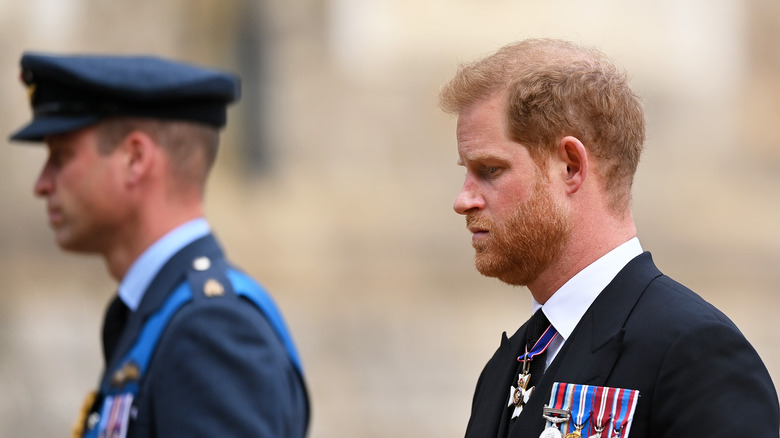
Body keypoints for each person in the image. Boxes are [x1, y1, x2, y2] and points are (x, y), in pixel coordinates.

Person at [439, 38, 779, 437]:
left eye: (490, 170)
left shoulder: (693, 353)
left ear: (570, 166)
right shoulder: (507, 367)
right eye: (467, 171)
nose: (463, 200)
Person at [9, 53, 309, 437]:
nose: (42, 184)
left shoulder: (210, 332)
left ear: (135, 159)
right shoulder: (160, 314)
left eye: (60, 157)